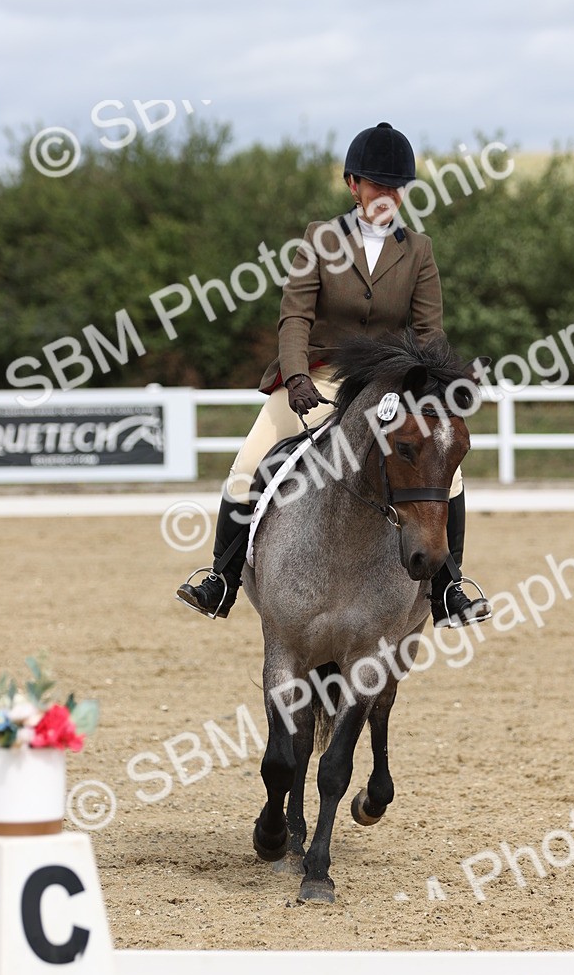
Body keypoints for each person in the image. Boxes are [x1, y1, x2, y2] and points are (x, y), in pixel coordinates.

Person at [176, 121, 491, 626]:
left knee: (446, 477)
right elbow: (295, 315)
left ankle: (447, 591)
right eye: (377, 185)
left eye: (396, 187)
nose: (387, 196)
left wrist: (441, 384)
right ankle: (222, 578)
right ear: (353, 185)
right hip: (319, 375)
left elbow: (429, 333)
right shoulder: (321, 239)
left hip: (389, 384)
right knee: (246, 467)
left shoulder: (419, 250)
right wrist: (296, 375)